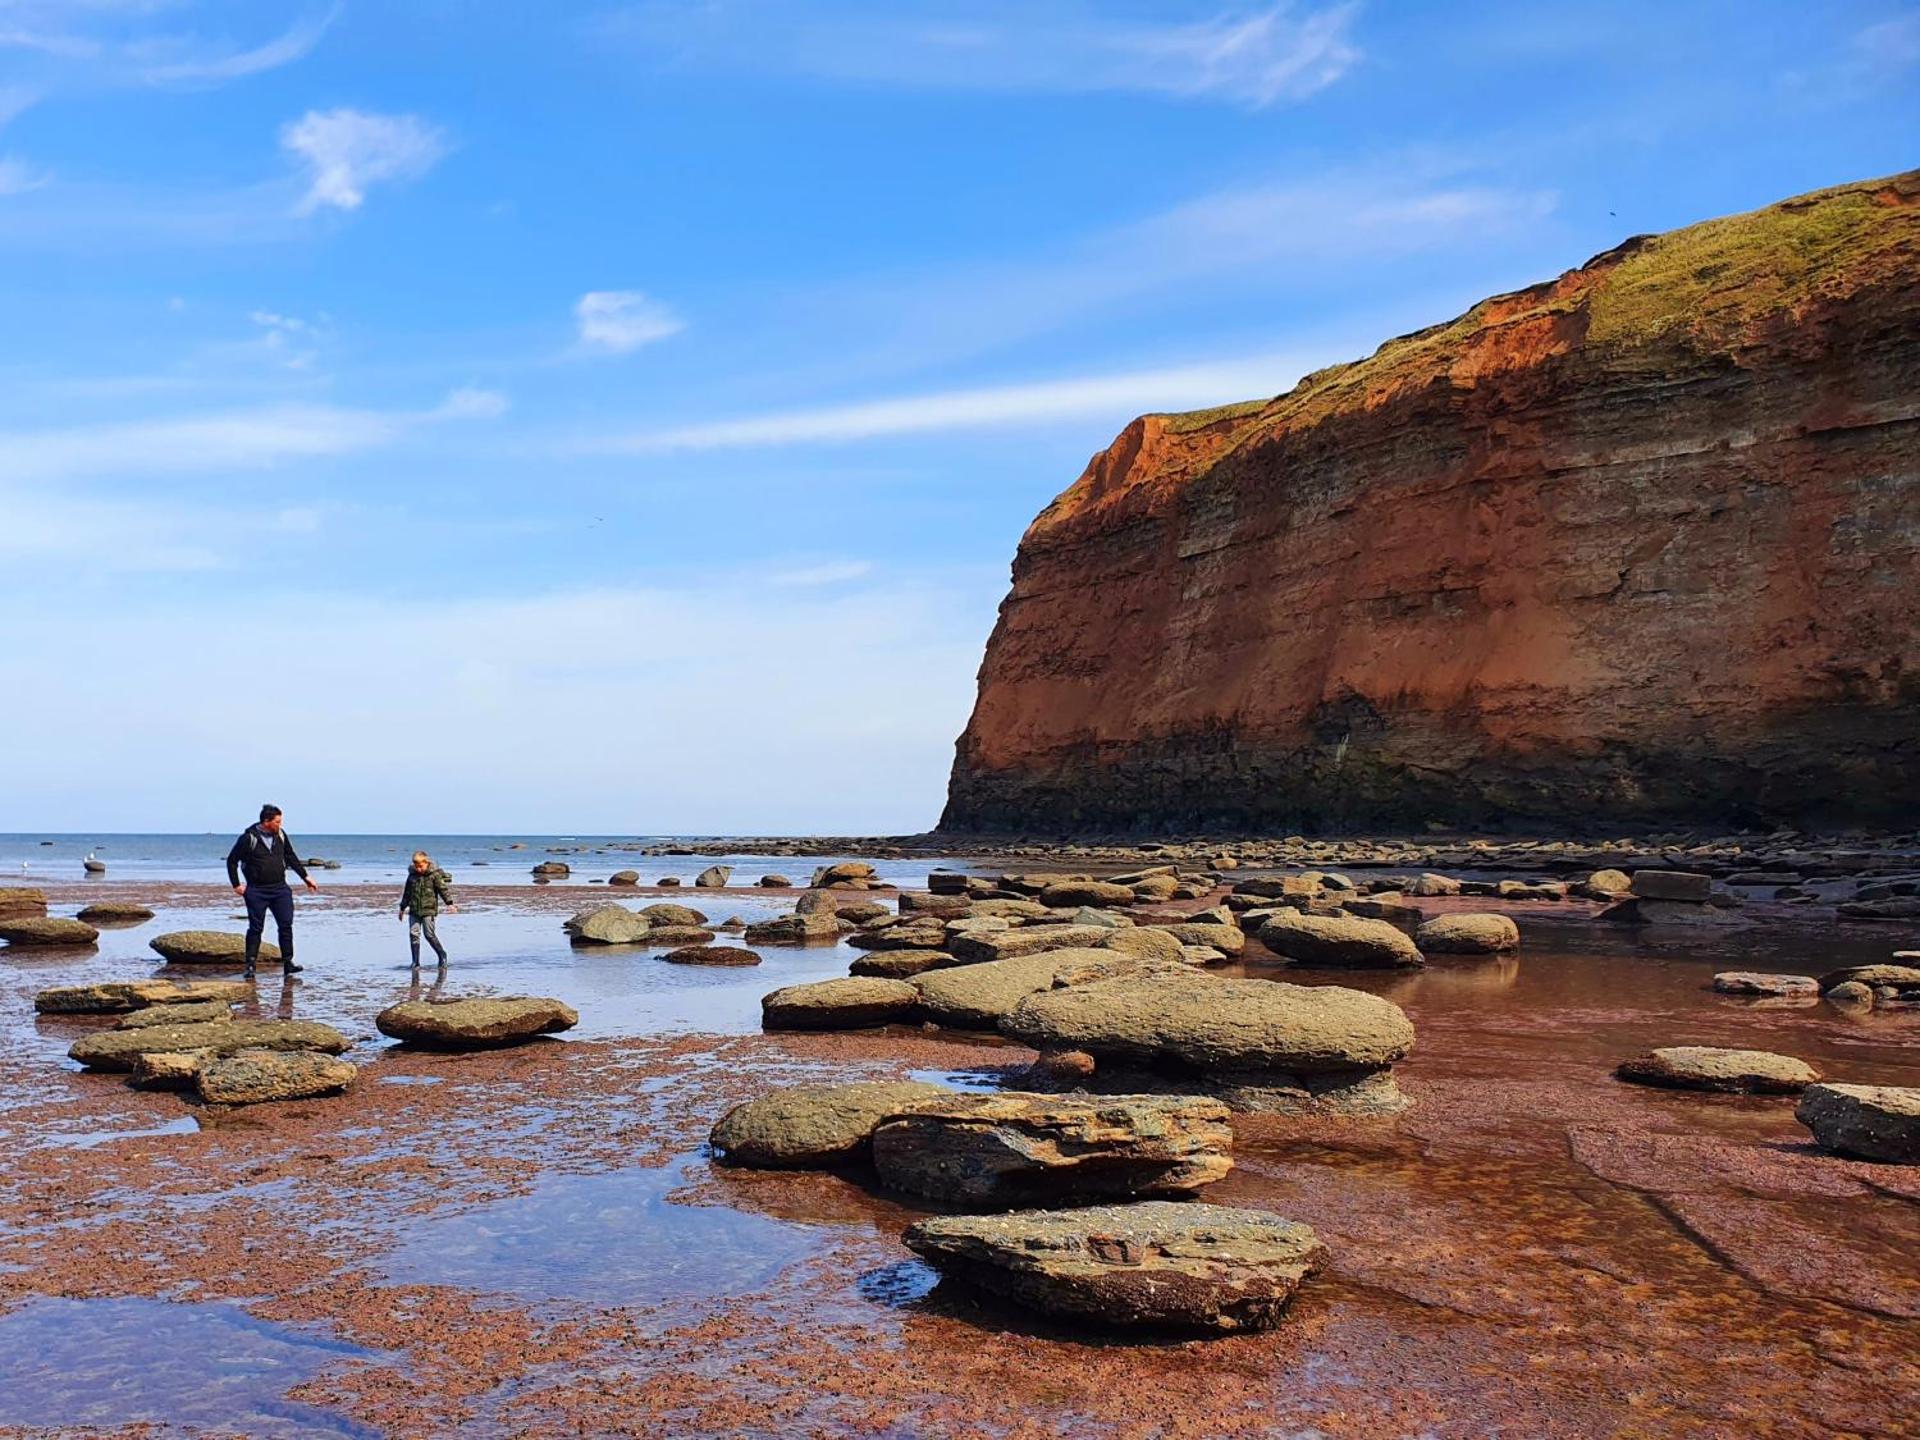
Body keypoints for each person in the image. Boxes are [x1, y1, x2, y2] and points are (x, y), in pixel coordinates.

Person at [225, 804, 317, 980]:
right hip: (256, 890)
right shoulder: (249, 838)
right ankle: (250, 966)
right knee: (256, 928)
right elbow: (232, 861)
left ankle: (288, 963)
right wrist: (236, 885)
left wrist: (306, 877)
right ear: (266, 821)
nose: (280, 825)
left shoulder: (280, 835)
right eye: (277, 822)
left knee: (286, 925)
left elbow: (290, 857)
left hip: (280, 889)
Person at [399, 850, 456, 967]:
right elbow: (407, 893)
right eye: (416, 866)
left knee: (429, 934)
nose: (418, 868)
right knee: (413, 934)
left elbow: (442, 890)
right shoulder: (412, 876)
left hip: (428, 910)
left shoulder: (433, 875)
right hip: (414, 910)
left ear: (426, 863)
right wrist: (402, 908)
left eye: (421, 866)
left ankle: (442, 954)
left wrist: (449, 903)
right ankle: (415, 962)